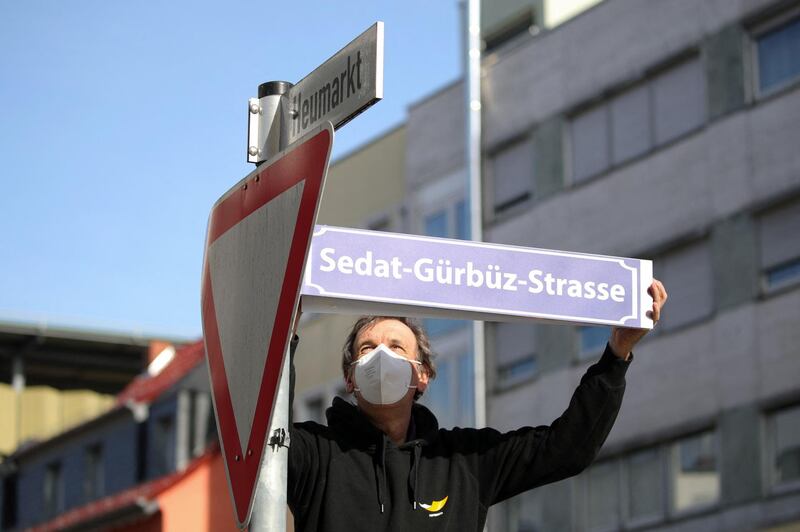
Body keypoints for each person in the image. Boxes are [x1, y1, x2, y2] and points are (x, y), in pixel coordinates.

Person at [288, 280, 668, 532]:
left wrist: (617, 355)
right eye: (368, 349)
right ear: (351, 377)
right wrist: (283, 329)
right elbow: (257, 434)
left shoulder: (464, 460)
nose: (381, 357)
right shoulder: (314, 453)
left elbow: (567, 449)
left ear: (423, 375)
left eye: (397, 347)